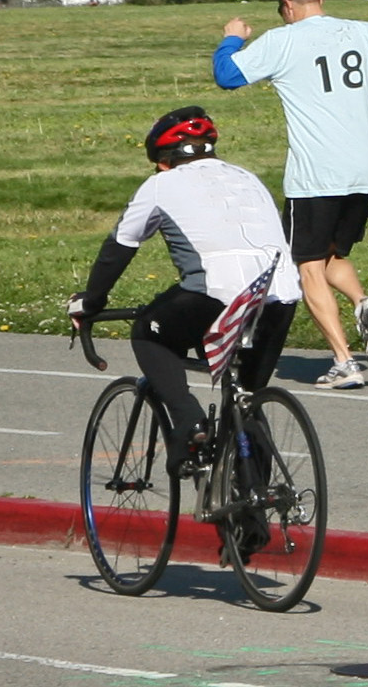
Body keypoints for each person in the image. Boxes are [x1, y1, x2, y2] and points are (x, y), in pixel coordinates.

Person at [215, 0, 368, 390]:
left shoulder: (283, 40)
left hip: (315, 174)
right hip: (363, 169)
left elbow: (227, 76)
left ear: (288, 7)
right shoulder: (361, 32)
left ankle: (344, 360)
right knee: (331, 252)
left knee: (306, 266)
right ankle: (362, 301)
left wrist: (232, 38)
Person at [68, 106, 302, 482]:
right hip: (280, 293)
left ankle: (189, 424)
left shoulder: (159, 186)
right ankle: (254, 513)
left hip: (216, 291)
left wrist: (91, 302)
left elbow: (119, 248)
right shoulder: (247, 177)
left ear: (162, 163)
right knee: (248, 397)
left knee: (149, 332)